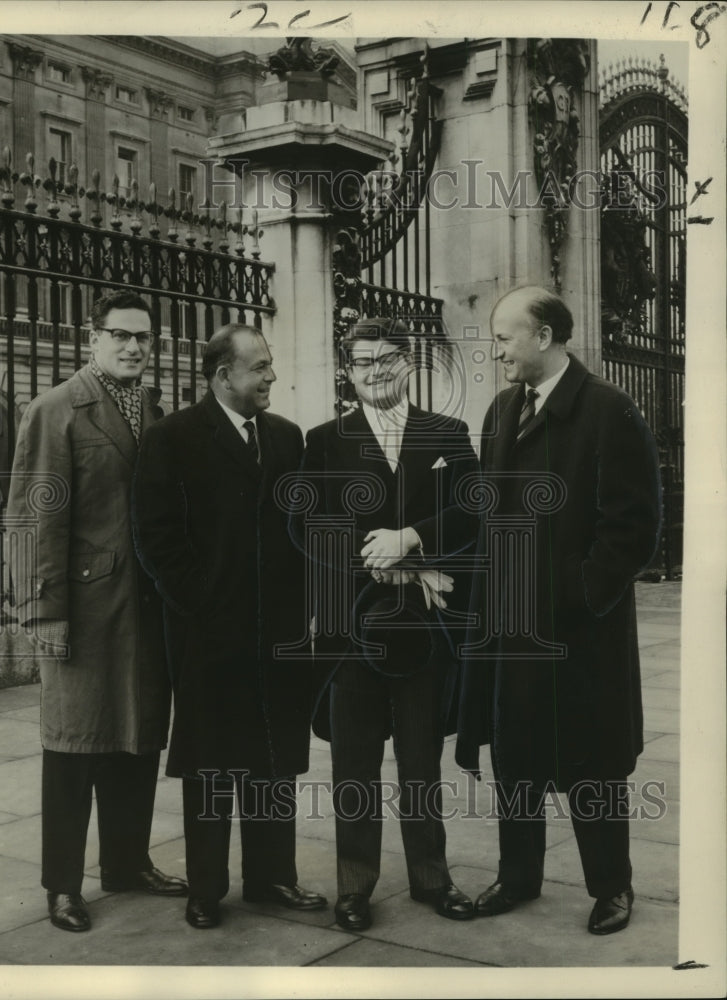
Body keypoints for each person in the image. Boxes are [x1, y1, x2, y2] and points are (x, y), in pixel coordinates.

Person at [455, 286, 662, 935]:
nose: (497, 351)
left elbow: (631, 529)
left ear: (543, 336)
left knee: (591, 762)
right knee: (515, 754)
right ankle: (517, 877)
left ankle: (611, 888)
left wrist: (571, 594)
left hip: (579, 636)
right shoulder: (499, 412)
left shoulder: (608, 411)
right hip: (512, 629)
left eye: (505, 336)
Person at [132, 323, 326, 930]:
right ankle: (207, 889)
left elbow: (304, 530)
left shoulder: (288, 438)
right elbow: (156, 537)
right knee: (213, 763)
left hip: (278, 634)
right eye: (260, 366)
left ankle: (272, 878)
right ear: (223, 376)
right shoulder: (173, 438)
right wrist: (202, 604)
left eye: (270, 365)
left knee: (272, 757)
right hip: (207, 635)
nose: (271, 376)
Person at [6, 289, 187, 934]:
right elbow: (32, 517)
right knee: (74, 747)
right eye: (121, 335)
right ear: (93, 339)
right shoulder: (56, 409)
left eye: (144, 337)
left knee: (135, 738)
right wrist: (42, 612)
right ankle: (62, 886)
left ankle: (127, 863)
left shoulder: (152, 409)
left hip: (142, 610)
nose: (135, 347)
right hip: (81, 611)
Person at [291, 317, 480, 931]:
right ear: (348, 370)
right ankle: (354, 887)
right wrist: (374, 559)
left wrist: (413, 539)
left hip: (424, 631)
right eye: (363, 360)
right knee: (353, 763)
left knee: (423, 758)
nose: (377, 371)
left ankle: (432, 878)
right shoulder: (324, 440)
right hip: (354, 627)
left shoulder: (447, 433)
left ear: (409, 365)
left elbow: (473, 511)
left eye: (389, 359)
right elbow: (307, 526)